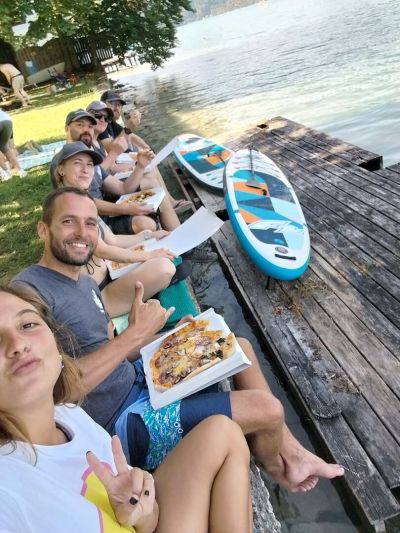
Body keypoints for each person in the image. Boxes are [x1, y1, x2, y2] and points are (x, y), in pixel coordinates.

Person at [13, 187, 345, 493]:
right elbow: (57, 392)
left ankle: (290, 452)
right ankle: (276, 466)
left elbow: (114, 351)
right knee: (268, 410)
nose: (82, 232)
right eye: (68, 221)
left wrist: (169, 336)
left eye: (89, 223)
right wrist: (135, 334)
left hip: (141, 380)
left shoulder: (83, 282)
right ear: (43, 229)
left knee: (237, 345)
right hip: (123, 423)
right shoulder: (29, 296)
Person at [0, 284, 253, 532]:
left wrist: (137, 511)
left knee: (224, 429)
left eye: (28, 325)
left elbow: (146, 518)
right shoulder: (8, 489)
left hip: (142, 382)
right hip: (128, 413)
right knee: (260, 408)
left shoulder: (70, 415)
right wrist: (135, 333)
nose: (18, 344)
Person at [52, 141, 178, 318]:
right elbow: (104, 250)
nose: (85, 170)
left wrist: (150, 235)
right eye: (77, 163)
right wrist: (149, 255)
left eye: (89, 164)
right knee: (164, 268)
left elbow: (113, 240)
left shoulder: (82, 201)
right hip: (94, 297)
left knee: (169, 264)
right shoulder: (66, 206)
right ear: (61, 170)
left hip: (110, 273)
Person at [50, 109, 181, 235]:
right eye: (80, 125)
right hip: (95, 221)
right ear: (67, 128)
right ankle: (167, 238)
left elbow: (123, 188)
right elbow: (84, 203)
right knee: (146, 224)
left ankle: (179, 235)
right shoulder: (62, 161)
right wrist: (126, 209)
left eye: (90, 126)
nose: (86, 130)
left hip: (107, 207)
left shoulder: (89, 156)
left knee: (153, 187)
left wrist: (140, 166)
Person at [87, 99, 193, 215]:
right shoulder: (97, 135)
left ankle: (170, 203)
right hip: (111, 187)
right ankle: (167, 207)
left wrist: (145, 147)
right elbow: (110, 150)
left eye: (119, 105)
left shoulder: (108, 126)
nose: (116, 108)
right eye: (113, 104)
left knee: (150, 167)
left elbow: (131, 137)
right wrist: (128, 128)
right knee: (151, 180)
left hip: (114, 177)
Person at [0, 109, 26, 179]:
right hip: (7, 120)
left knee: (4, 147)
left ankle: (7, 174)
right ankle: (21, 171)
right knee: (4, 147)